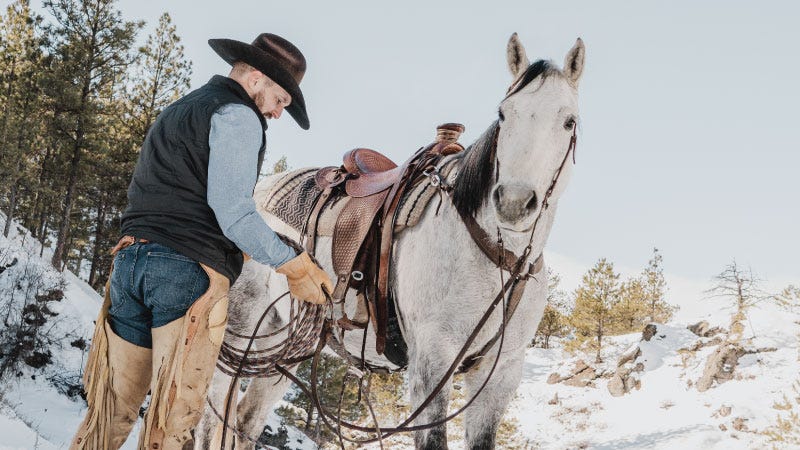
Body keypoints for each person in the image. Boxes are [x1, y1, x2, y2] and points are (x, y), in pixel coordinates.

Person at [70, 33, 333, 450]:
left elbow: (176, 191)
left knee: (110, 412)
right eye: (281, 100)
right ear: (256, 79)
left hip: (130, 263)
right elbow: (233, 210)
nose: (278, 113)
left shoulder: (181, 109)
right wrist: (294, 264)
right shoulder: (239, 115)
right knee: (172, 421)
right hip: (187, 275)